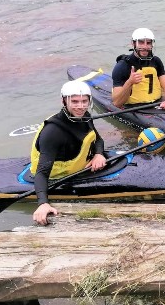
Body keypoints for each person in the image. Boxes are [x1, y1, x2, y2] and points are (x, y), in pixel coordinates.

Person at [30, 81, 107, 225]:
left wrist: (99, 154)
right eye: (75, 101)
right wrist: (43, 203)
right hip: (56, 176)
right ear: (64, 101)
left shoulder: (84, 116)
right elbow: (41, 173)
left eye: (84, 101)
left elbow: (98, 140)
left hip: (81, 165)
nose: (81, 106)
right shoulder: (53, 132)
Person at [111, 28, 165, 110]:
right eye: (141, 42)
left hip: (157, 103)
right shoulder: (122, 66)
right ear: (133, 43)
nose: (145, 47)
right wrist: (130, 82)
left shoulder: (156, 61)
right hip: (132, 107)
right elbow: (116, 103)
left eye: (148, 43)